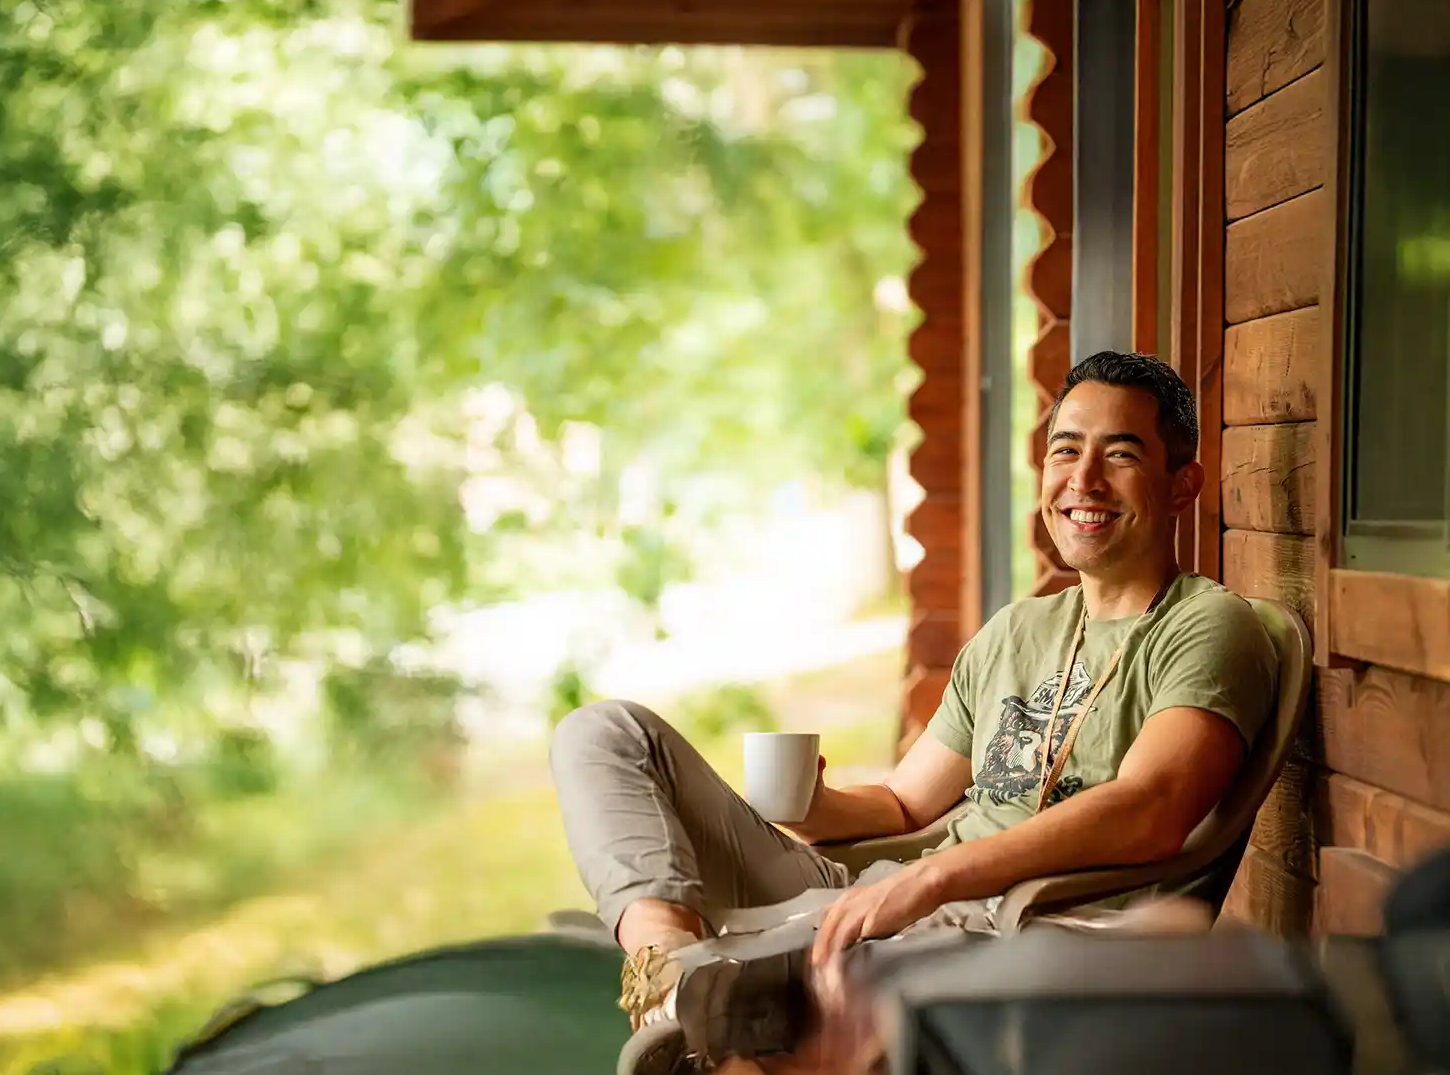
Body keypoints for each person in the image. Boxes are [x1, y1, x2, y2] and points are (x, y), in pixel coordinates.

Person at [549, 352, 1281, 1071]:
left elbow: (1150, 807)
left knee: (779, 1028)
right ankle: (669, 978)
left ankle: (714, 1017)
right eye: (1066, 450)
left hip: (1028, 933)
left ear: (1182, 486)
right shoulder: (1017, 633)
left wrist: (935, 877)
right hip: (897, 903)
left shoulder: (1207, 626)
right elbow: (905, 802)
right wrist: (819, 806)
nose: (1082, 480)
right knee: (606, 733)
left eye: (1119, 455)